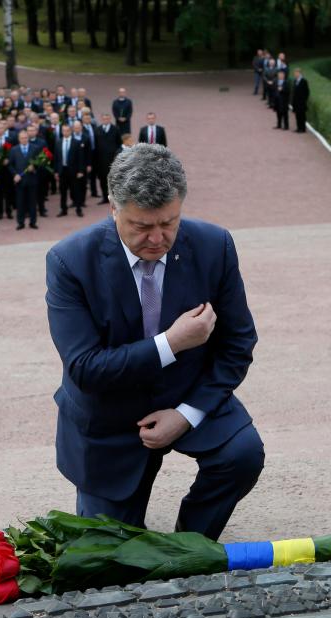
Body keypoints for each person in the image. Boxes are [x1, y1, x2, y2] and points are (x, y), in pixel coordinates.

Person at [44, 144, 264, 540]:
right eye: (141, 226)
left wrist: (187, 413)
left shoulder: (215, 245)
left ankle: (190, 541)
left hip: (185, 391)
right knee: (111, 554)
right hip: (109, 414)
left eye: (169, 222)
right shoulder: (69, 261)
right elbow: (85, 369)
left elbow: (238, 342)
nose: (158, 238)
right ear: (113, 209)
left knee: (243, 455)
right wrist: (172, 343)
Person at [9, 126, 44, 230]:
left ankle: (33, 222)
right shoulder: (14, 150)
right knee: (20, 203)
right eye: (22, 138)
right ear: (19, 139)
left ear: (28, 138)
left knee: (32, 202)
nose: (24, 139)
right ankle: (20, 223)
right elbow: (10, 165)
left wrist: (34, 168)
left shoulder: (35, 148)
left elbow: (40, 163)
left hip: (31, 180)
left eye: (25, 138)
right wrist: (15, 174)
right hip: (19, 181)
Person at [94, 113, 121, 204]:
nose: (105, 120)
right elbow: (96, 144)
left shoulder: (115, 129)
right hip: (101, 160)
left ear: (110, 119)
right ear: (101, 119)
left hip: (112, 159)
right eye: (104, 118)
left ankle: (115, 198)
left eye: (107, 118)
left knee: (113, 179)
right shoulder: (97, 130)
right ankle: (105, 197)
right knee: (102, 179)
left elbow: (119, 143)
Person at [291, 68, 310, 133]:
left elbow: (307, 92)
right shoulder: (295, 81)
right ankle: (298, 128)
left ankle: (303, 128)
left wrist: (304, 100)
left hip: (301, 102)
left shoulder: (304, 81)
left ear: (300, 73)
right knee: (297, 115)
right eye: (295, 73)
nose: (295, 74)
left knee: (302, 116)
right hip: (296, 101)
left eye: (296, 73)